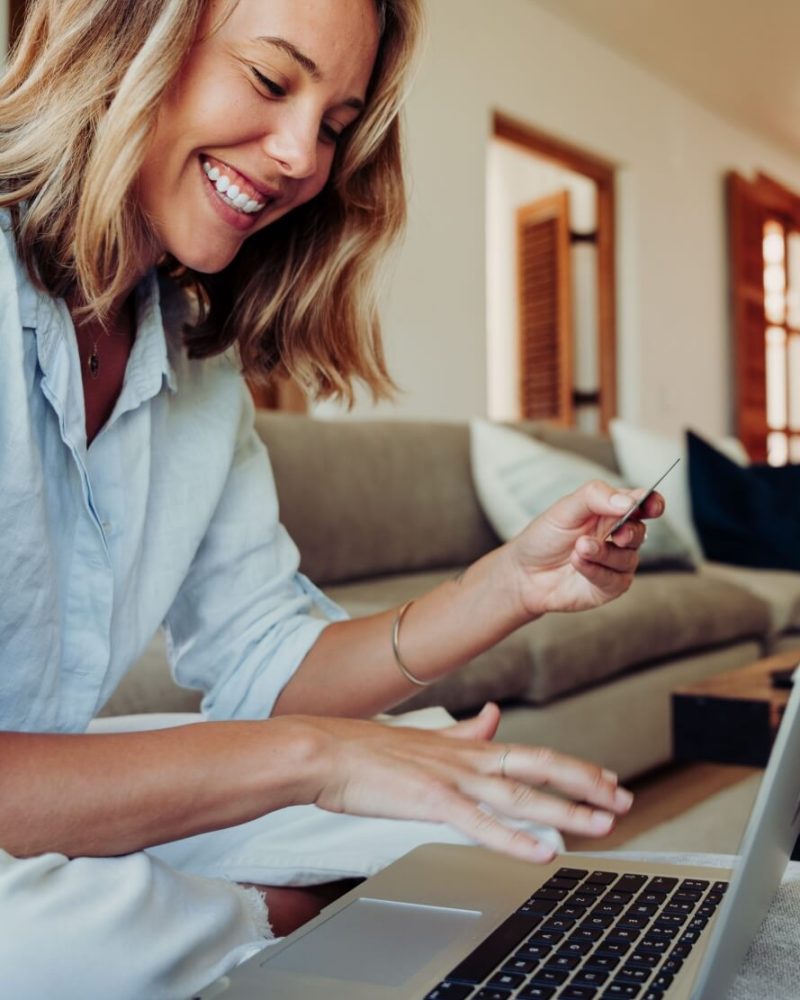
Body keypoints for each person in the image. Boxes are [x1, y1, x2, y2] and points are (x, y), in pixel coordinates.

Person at [0, 0, 664, 997]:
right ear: (129, 41)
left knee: (465, 802)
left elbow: (266, 662)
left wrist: (508, 585)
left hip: (47, 783)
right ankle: (264, 929)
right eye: (271, 80)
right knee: (61, 942)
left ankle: (235, 935)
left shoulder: (193, 366)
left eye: (335, 123)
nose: (298, 155)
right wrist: (311, 762)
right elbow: (292, 733)